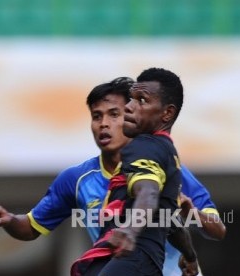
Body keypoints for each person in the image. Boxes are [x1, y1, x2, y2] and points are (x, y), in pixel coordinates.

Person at [0, 74, 225, 275]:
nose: (103, 124)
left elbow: (216, 229)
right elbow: (31, 227)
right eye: (97, 116)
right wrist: (9, 220)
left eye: (113, 114)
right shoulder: (76, 180)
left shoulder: (170, 168)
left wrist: (191, 213)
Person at [71, 67, 197, 276]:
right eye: (131, 99)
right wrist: (190, 256)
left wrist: (130, 229)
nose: (128, 107)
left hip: (135, 261)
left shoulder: (143, 147)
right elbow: (169, 220)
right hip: (137, 262)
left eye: (142, 100)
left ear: (167, 113)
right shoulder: (164, 153)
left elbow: (147, 192)